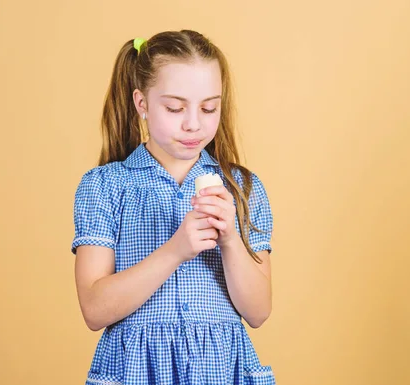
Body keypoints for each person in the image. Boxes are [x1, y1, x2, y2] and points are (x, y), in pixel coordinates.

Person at [71, 30, 275, 385]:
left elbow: (258, 312)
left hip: (220, 369)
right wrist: (175, 250)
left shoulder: (241, 189)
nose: (193, 123)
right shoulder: (105, 186)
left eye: (209, 107)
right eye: (175, 108)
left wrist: (230, 241)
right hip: (136, 369)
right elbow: (94, 309)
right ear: (142, 103)